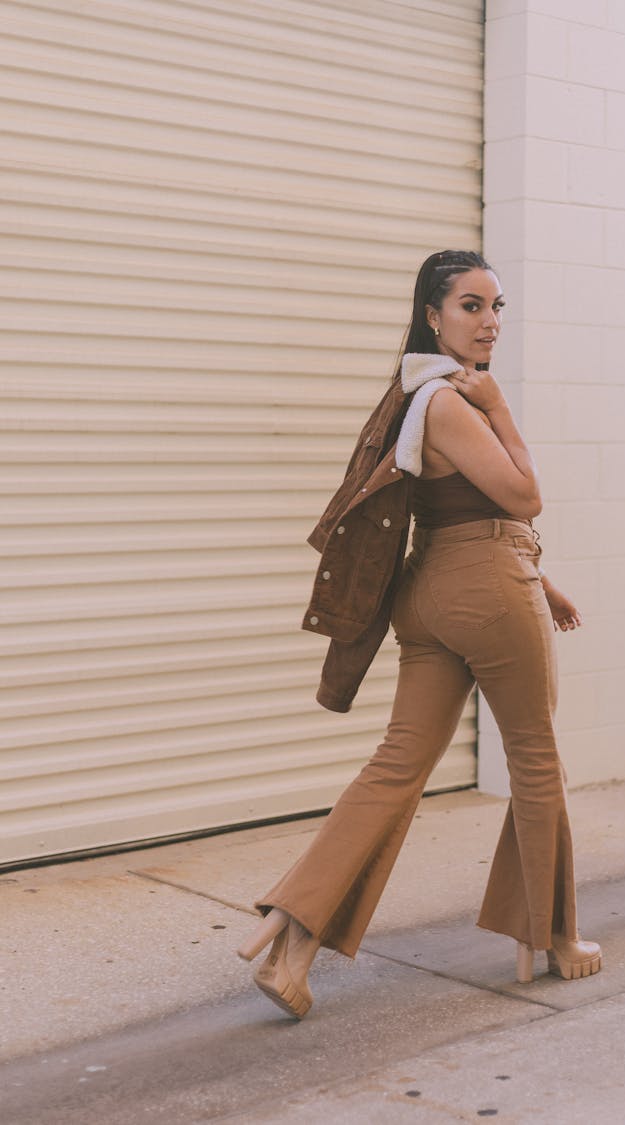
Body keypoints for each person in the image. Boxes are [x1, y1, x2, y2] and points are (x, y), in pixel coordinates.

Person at [237, 250, 602, 1019]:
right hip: (486, 589)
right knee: (535, 759)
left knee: (395, 766)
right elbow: (525, 497)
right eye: (471, 306)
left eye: (498, 306)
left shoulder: (413, 397)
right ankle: (556, 939)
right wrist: (500, 409)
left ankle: (290, 939)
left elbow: (462, 512)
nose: (490, 321)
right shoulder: (452, 402)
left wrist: (544, 578)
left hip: (435, 590)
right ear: (432, 315)